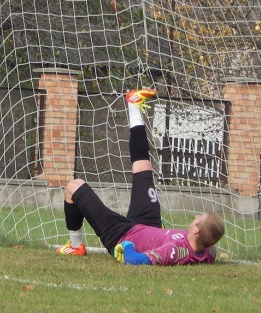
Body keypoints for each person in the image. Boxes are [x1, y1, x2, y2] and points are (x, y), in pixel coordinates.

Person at [56, 89, 225, 265]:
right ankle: (133, 105)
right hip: (148, 226)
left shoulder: (174, 250)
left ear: (196, 230)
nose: (197, 215)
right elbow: (211, 243)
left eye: (199, 218)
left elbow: (135, 260)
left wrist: (127, 246)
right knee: (143, 165)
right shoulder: (207, 249)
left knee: (74, 186)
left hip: (122, 234)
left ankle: (75, 246)